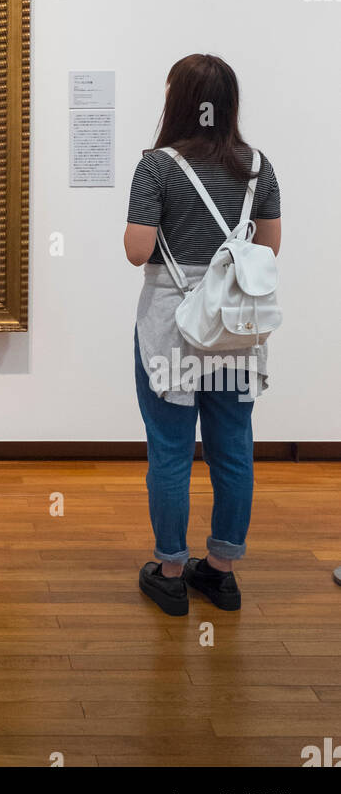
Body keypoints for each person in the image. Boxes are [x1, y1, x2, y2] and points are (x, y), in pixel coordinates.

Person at [123, 54, 281, 615]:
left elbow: (138, 250)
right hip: (237, 327)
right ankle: (220, 572)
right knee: (233, 448)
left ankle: (169, 572)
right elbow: (268, 251)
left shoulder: (157, 166)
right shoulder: (258, 165)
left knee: (170, 450)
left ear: (178, 102)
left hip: (174, 325)